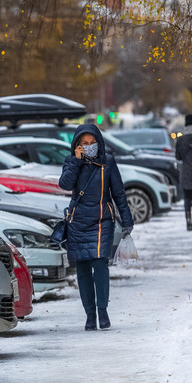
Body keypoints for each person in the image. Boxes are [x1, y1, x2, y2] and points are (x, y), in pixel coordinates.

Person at [58, 123, 134, 331]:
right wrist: (76, 161)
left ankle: (102, 310)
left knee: (100, 264)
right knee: (82, 268)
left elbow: (118, 193)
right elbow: (64, 184)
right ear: (77, 145)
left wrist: (127, 220)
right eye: (84, 143)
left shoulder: (108, 161)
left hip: (102, 221)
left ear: (99, 143)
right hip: (79, 222)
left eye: (92, 143)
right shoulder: (71, 161)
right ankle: (90, 314)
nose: (89, 146)